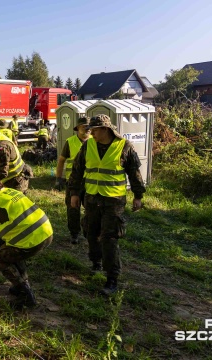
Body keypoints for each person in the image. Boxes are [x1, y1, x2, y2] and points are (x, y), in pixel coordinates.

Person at [68, 115, 145, 297]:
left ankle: (112, 279)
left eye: (94, 130)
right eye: (90, 130)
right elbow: (77, 171)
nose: (91, 133)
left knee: (109, 238)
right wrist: (74, 193)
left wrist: (138, 196)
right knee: (90, 232)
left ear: (106, 129)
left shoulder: (124, 146)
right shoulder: (88, 145)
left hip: (113, 201)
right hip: (92, 198)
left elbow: (134, 173)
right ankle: (96, 262)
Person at [0, 173, 53, 310]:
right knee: (12, 251)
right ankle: (22, 286)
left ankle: (25, 295)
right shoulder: (13, 191)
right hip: (47, 232)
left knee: (0, 257)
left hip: (32, 240)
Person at [55, 117, 91, 244]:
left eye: (89, 127)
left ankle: (89, 233)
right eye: (84, 127)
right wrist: (58, 178)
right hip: (73, 182)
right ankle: (74, 233)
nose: (87, 129)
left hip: (90, 183)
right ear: (77, 128)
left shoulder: (95, 142)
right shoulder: (70, 142)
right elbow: (61, 160)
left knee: (90, 210)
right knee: (72, 209)